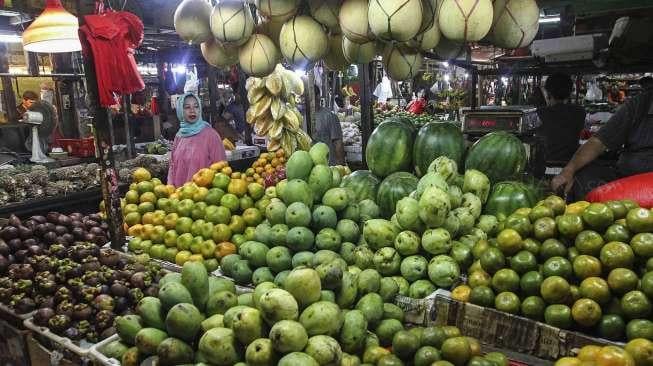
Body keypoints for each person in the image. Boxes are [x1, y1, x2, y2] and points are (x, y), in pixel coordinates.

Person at [552, 83, 653, 200]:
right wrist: (568, 170)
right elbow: (599, 142)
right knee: (584, 177)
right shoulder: (639, 105)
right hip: (628, 178)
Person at [167, 93, 227, 187]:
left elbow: (222, 168)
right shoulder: (179, 137)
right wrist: (170, 187)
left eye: (196, 106)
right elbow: (172, 166)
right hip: (179, 196)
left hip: (202, 197)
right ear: (180, 111)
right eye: (187, 107)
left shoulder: (211, 135)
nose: (192, 111)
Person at [536, 73, 586, 163]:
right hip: (570, 164)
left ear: (548, 92)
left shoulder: (539, 113)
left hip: (546, 163)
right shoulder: (580, 112)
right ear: (570, 92)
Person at [313, 86, 345, 165]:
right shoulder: (300, 117)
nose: (304, 99)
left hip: (328, 166)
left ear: (318, 97)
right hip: (308, 166)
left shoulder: (329, 116)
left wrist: (341, 166)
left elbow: (338, 143)